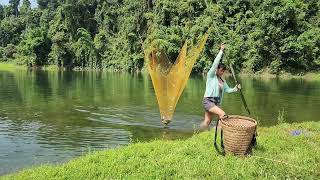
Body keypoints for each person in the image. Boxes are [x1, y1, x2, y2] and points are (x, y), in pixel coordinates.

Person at [200, 43, 241, 129]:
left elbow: (229, 90)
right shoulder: (211, 75)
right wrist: (221, 51)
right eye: (221, 70)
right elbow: (215, 63)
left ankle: (198, 131)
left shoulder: (222, 81)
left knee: (207, 121)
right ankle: (218, 132)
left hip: (216, 102)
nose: (222, 72)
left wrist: (236, 88)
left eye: (223, 71)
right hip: (208, 100)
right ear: (217, 69)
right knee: (223, 115)